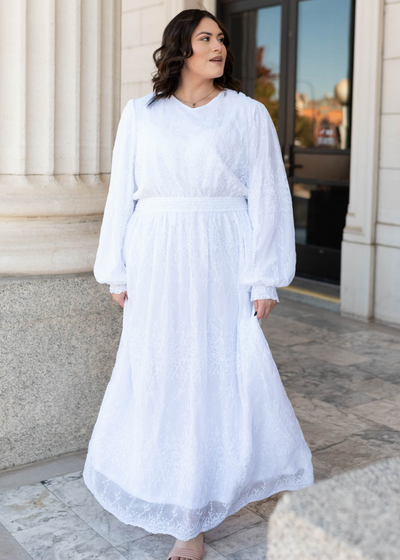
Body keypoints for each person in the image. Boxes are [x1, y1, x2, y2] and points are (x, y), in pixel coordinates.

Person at [82, 8, 314, 560]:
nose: (218, 47)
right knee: (161, 368)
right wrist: (115, 267)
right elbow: (123, 195)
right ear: (180, 47)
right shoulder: (140, 113)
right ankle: (159, 485)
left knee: (218, 370)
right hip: (157, 255)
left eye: (222, 39)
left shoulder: (249, 114)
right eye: (205, 37)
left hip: (224, 255)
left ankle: (196, 516)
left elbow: (269, 198)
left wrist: (265, 277)